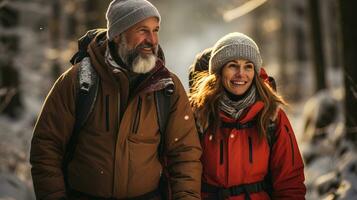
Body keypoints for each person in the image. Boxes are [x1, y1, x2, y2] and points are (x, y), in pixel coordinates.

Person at [30, 0, 202, 199]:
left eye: (155, 30)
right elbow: (46, 148)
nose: (152, 40)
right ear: (118, 35)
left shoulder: (167, 87)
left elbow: (185, 155)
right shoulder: (79, 81)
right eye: (142, 30)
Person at [189, 32, 306, 200]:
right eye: (233, 65)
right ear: (219, 71)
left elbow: (290, 182)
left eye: (248, 66)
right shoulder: (199, 114)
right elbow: (181, 175)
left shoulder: (272, 116)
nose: (241, 74)